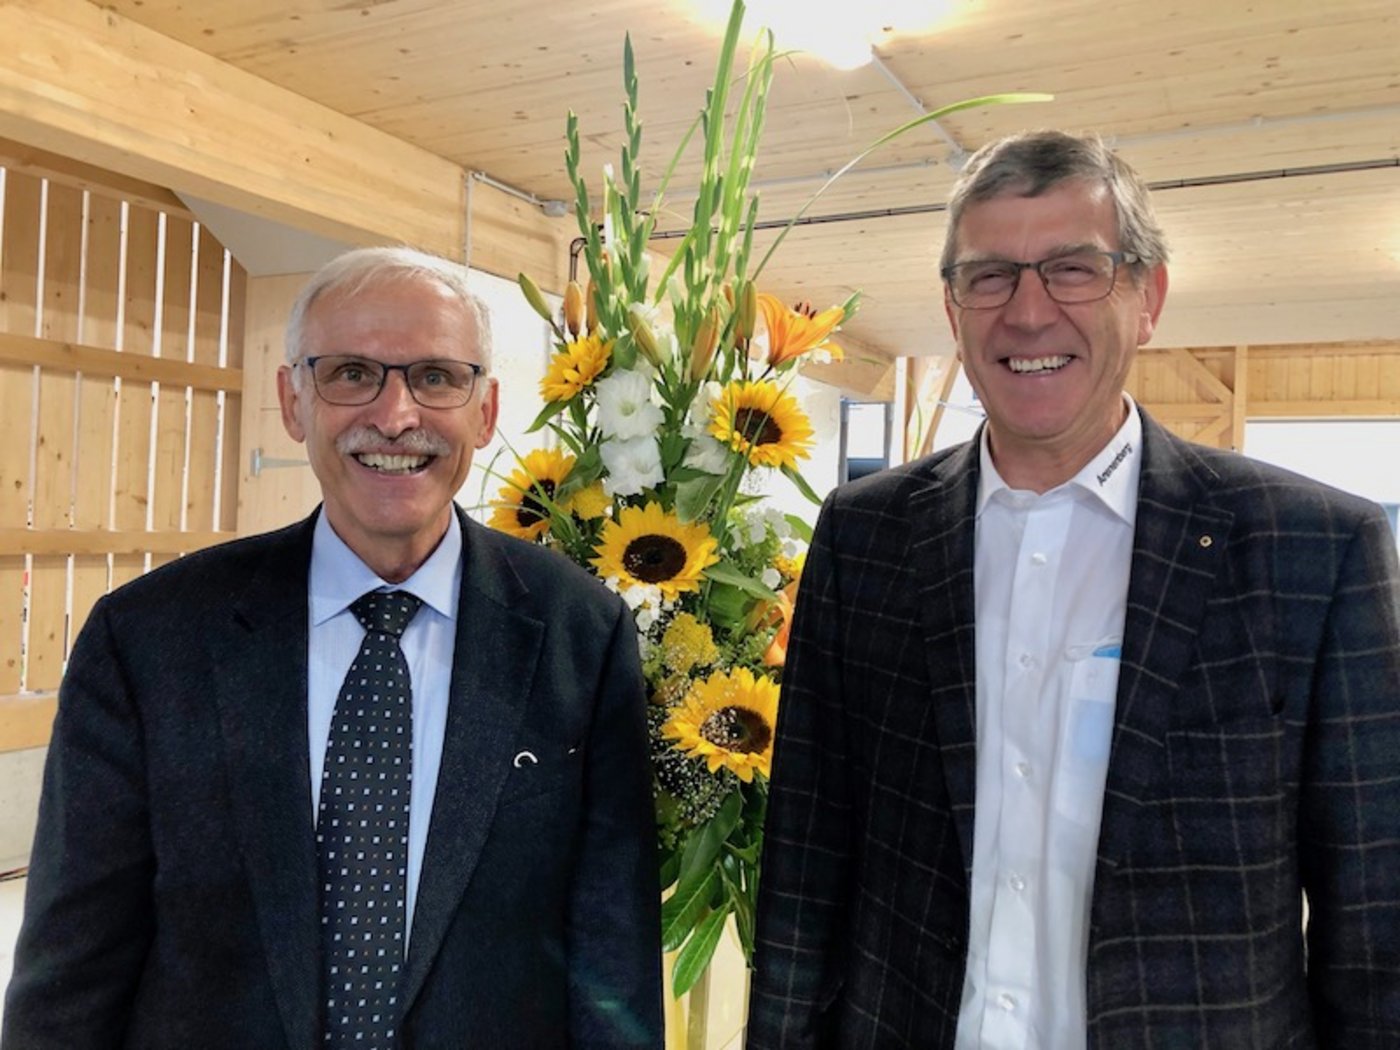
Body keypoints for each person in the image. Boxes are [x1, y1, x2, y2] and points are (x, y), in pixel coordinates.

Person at [747, 130, 1400, 1048]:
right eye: (989, 276)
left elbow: (1373, 923)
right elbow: (807, 857)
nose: (1028, 313)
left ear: (1147, 297)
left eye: (1073, 270)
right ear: (952, 308)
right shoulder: (866, 536)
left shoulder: (1313, 551)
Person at [3, 247, 663, 1049]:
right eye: (352, 373)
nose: (395, 415)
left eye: (436, 376)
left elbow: (611, 960)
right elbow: (73, 968)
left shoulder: (580, 635)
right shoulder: (148, 639)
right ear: (293, 401)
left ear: (485, 411)